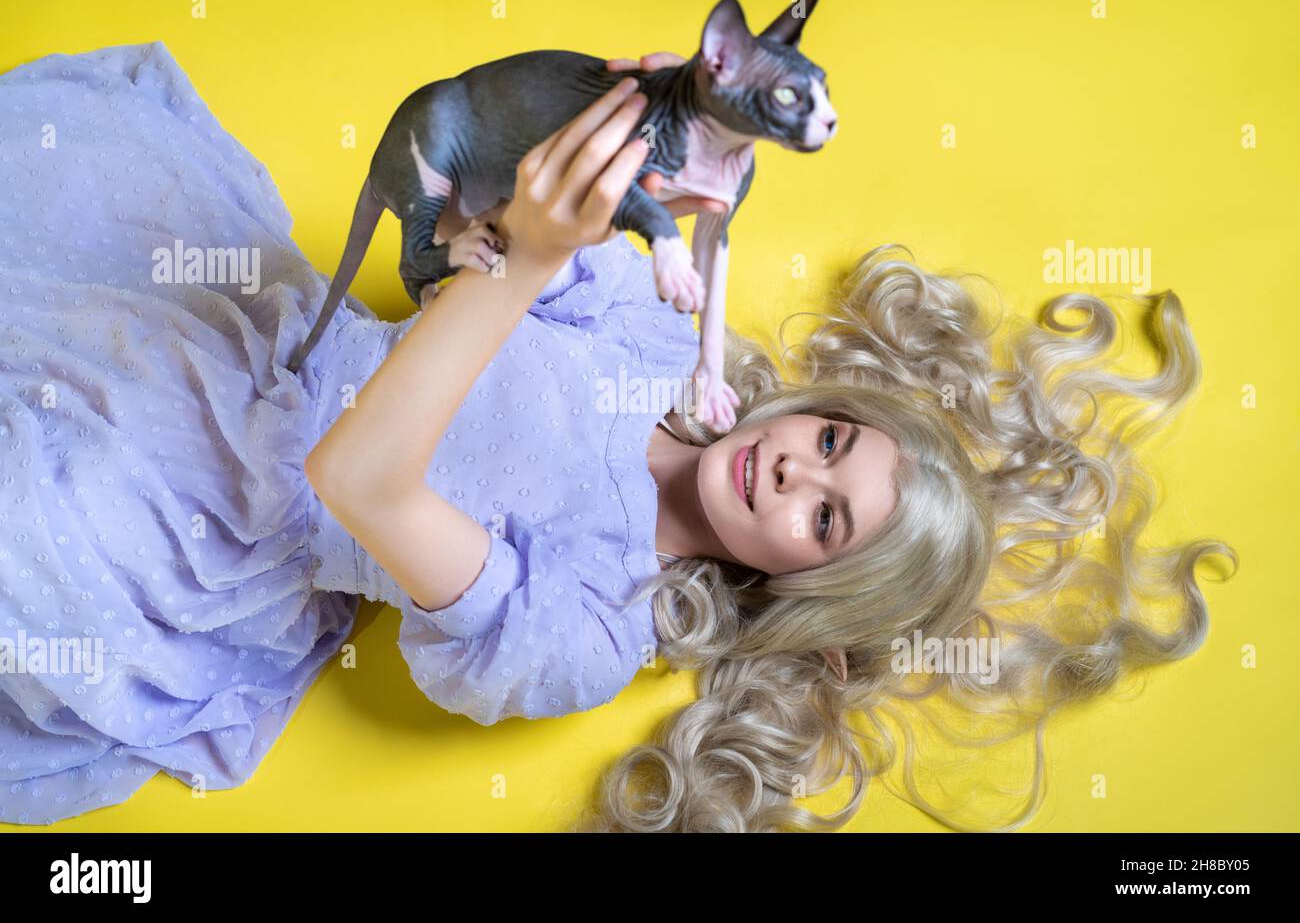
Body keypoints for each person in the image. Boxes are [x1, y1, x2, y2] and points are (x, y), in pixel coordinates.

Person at [0, 45, 1235, 832]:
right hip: (251, 340)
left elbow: (356, 481)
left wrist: (526, 262)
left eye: (824, 516)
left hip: (210, 523)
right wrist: (623, 122)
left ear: (809, 588)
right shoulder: (657, 335)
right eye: (833, 438)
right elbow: (469, 231)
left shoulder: (594, 625)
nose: (795, 464)